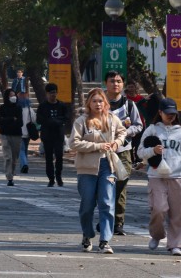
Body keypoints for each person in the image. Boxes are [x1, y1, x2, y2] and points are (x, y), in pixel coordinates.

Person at [72, 87, 126, 254]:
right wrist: (97, 146)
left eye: (100, 101)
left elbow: (122, 132)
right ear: (89, 103)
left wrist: (117, 143)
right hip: (86, 168)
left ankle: (105, 240)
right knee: (87, 205)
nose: (98, 104)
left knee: (107, 203)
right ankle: (87, 234)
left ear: (105, 103)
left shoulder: (112, 119)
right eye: (94, 101)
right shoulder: (82, 121)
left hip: (107, 166)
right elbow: (74, 143)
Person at [137, 98, 181, 256]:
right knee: (158, 208)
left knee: (179, 212)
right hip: (156, 175)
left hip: (178, 176)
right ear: (160, 112)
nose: (170, 116)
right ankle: (157, 235)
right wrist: (153, 151)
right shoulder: (152, 130)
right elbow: (140, 152)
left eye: (173, 113)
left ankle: (176, 245)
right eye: (167, 113)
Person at [104, 70, 143, 235]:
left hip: (123, 150)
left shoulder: (129, 104)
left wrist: (125, 133)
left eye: (119, 81)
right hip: (103, 152)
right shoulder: (99, 102)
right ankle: (105, 219)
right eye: (112, 81)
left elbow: (138, 125)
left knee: (121, 184)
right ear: (106, 83)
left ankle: (118, 222)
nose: (116, 84)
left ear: (123, 84)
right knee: (104, 185)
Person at [37, 83, 70, 186]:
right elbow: (39, 119)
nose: (53, 95)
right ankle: (51, 178)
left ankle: (58, 176)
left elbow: (66, 118)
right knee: (49, 158)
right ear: (47, 94)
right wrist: (49, 121)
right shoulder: (42, 106)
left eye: (55, 92)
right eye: (51, 93)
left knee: (59, 156)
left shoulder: (62, 105)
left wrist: (57, 121)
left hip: (58, 135)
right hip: (47, 135)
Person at [0, 88, 24, 186]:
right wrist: (12, 119)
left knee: (14, 158)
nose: (13, 97)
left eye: (14, 95)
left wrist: (8, 121)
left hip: (16, 135)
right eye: (11, 95)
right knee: (8, 157)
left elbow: (20, 122)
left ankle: (11, 172)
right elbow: (0, 121)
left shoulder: (18, 108)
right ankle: (9, 177)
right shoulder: (2, 108)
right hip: (5, 134)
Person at [125, 80, 147, 165]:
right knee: (130, 144)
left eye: (132, 87)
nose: (131, 89)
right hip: (128, 126)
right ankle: (130, 160)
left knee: (138, 144)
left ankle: (138, 160)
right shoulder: (125, 99)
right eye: (129, 87)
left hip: (140, 124)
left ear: (136, 88)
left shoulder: (140, 98)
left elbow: (145, 109)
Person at [17, 88, 36, 174]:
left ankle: (24, 164)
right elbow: (34, 119)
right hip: (28, 132)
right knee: (25, 149)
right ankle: (24, 165)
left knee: (21, 150)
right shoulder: (29, 109)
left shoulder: (17, 108)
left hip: (19, 132)